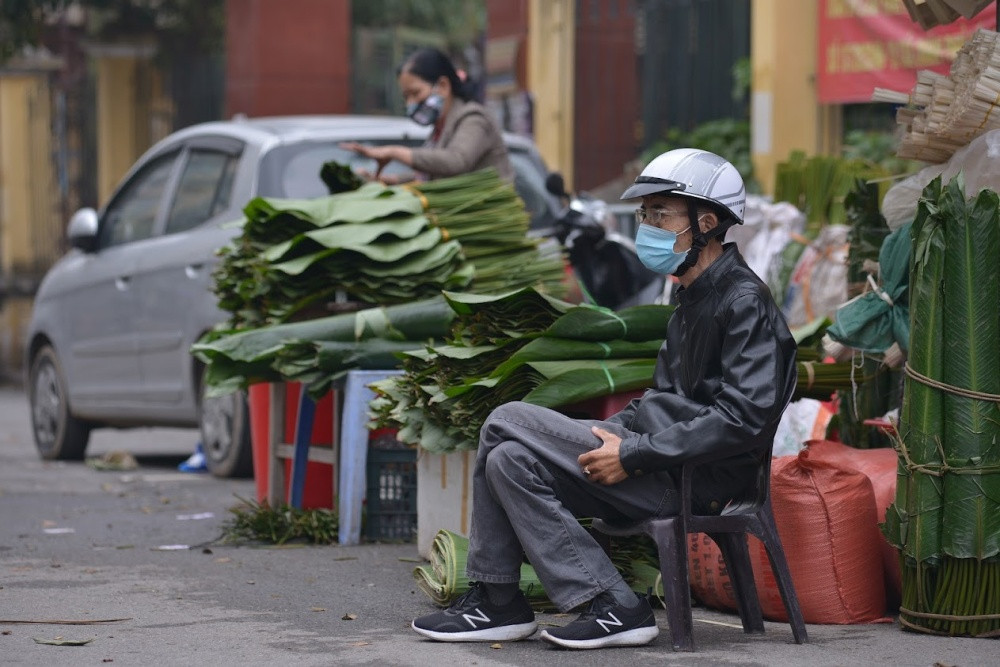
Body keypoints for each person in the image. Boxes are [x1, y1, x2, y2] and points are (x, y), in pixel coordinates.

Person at [409, 148, 797, 650]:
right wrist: (619, 436)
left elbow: (742, 418)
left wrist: (633, 454)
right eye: (645, 214)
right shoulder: (689, 296)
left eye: (661, 213)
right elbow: (666, 396)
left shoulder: (743, 302)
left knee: (504, 419)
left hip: (689, 478)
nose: (648, 225)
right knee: (509, 461)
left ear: (706, 221)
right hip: (656, 459)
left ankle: (503, 601)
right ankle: (598, 603)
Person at [340, 47, 513, 183]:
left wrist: (394, 152)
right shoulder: (439, 130)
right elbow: (428, 176)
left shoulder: (473, 118)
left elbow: (456, 161)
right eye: (406, 97)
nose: (410, 104)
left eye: (415, 93)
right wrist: (384, 181)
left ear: (443, 86)